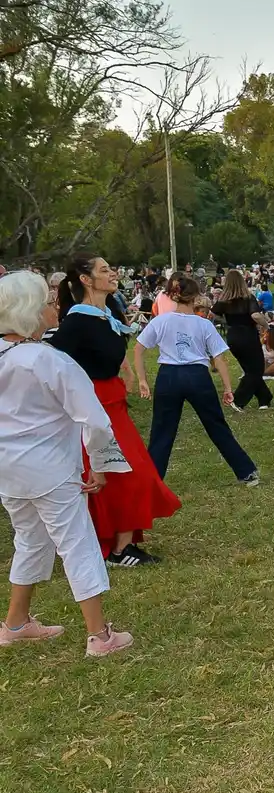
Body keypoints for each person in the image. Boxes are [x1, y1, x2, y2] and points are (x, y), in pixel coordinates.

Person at [0, 271, 134, 656]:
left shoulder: (29, 357)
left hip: (9, 472)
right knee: (77, 542)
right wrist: (100, 463)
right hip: (51, 469)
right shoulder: (48, 360)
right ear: (27, 310)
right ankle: (99, 635)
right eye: (47, 302)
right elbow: (93, 419)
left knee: (29, 539)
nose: (53, 307)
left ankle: (16, 622)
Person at [51, 253, 180, 566]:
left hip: (113, 404)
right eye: (104, 270)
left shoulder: (105, 314)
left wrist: (125, 367)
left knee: (131, 474)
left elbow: (107, 351)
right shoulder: (78, 321)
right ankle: (116, 549)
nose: (113, 273)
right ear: (85, 279)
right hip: (93, 407)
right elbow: (55, 363)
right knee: (125, 475)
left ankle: (119, 546)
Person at [132, 275, 259, 486]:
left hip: (168, 377)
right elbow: (219, 358)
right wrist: (228, 388)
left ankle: (152, 481)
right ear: (196, 296)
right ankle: (246, 472)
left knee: (162, 430)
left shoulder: (160, 320)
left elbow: (138, 349)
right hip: (197, 377)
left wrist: (142, 379)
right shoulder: (204, 325)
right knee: (216, 425)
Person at [213, 269, 272, 411]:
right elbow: (256, 316)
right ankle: (238, 400)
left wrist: (227, 321)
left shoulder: (224, 300)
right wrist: (266, 325)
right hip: (248, 335)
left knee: (249, 369)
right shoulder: (248, 298)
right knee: (256, 370)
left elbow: (213, 314)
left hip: (233, 336)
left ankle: (265, 398)